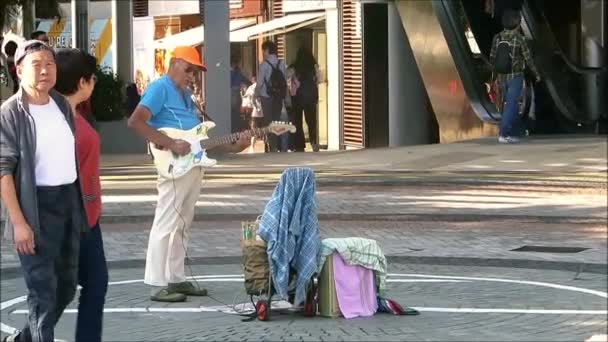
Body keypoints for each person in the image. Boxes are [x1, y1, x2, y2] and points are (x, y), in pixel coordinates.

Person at [127, 46, 251, 303]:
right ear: (174, 63)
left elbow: (200, 140)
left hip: (191, 165)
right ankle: (157, 283)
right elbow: (136, 121)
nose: (192, 76)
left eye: (195, 72)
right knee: (166, 221)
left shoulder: (186, 97)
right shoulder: (160, 88)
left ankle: (176, 277)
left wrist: (234, 146)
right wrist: (169, 143)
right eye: (189, 70)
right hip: (174, 164)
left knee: (182, 223)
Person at [0, 40, 88, 342]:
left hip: (67, 204)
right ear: (19, 69)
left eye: (49, 64)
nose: (45, 71)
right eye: (36, 64)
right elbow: (3, 171)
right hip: (34, 208)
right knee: (43, 292)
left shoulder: (62, 105)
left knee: (65, 288)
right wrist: (19, 223)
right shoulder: (10, 113)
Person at [54, 48, 108, 342]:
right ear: (82, 82)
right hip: (74, 217)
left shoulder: (69, 113)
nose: (95, 83)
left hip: (86, 215)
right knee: (66, 291)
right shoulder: (60, 120)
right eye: (93, 78)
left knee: (91, 284)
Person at [490, 9, 541, 144]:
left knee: (508, 104)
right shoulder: (519, 39)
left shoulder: (497, 37)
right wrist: (536, 74)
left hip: (501, 77)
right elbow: (528, 59)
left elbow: (492, 58)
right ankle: (503, 133)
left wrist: (494, 77)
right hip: (516, 77)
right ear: (518, 24)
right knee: (512, 105)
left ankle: (515, 131)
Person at [255, 40, 287, 152]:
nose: (263, 53)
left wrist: (255, 95)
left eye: (263, 51)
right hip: (278, 96)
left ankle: (271, 146)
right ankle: (278, 145)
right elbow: (284, 81)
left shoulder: (263, 65)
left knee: (268, 122)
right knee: (276, 120)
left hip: (266, 97)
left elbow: (259, 84)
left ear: (267, 50)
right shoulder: (282, 63)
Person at [288, 47, 321, 152]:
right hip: (311, 97)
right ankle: (314, 143)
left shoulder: (295, 67)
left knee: (297, 121)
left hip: (297, 97)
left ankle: (299, 145)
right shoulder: (314, 66)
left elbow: (287, 76)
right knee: (311, 121)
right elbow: (320, 79)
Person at [230, 55, 250, 133]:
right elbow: (246, 81)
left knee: (232, 116)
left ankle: (232, 132)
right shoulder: (238, 72)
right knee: (236, 116)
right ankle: (235, 133)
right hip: (237, 94)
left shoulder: (227, 72)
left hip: (230, 95)